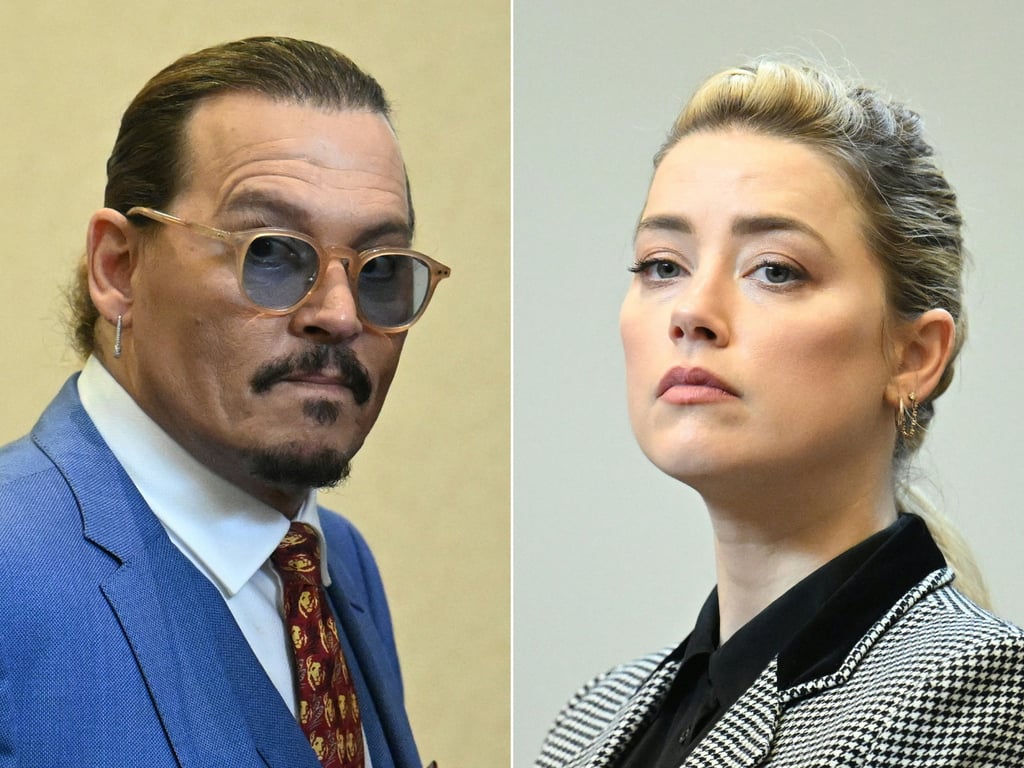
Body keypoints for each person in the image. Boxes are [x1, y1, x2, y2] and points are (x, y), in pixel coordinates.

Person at [536, 60, 1024, 766]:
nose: (692, 313)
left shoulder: (983, 692)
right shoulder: (590, 720)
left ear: (914, 356)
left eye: (776, 269)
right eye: (662, 265)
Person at [0, 37, 450, 768]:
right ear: (118, 269)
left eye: (380, 269)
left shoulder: (336, 566)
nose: (339, 314)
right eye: (271, 252)